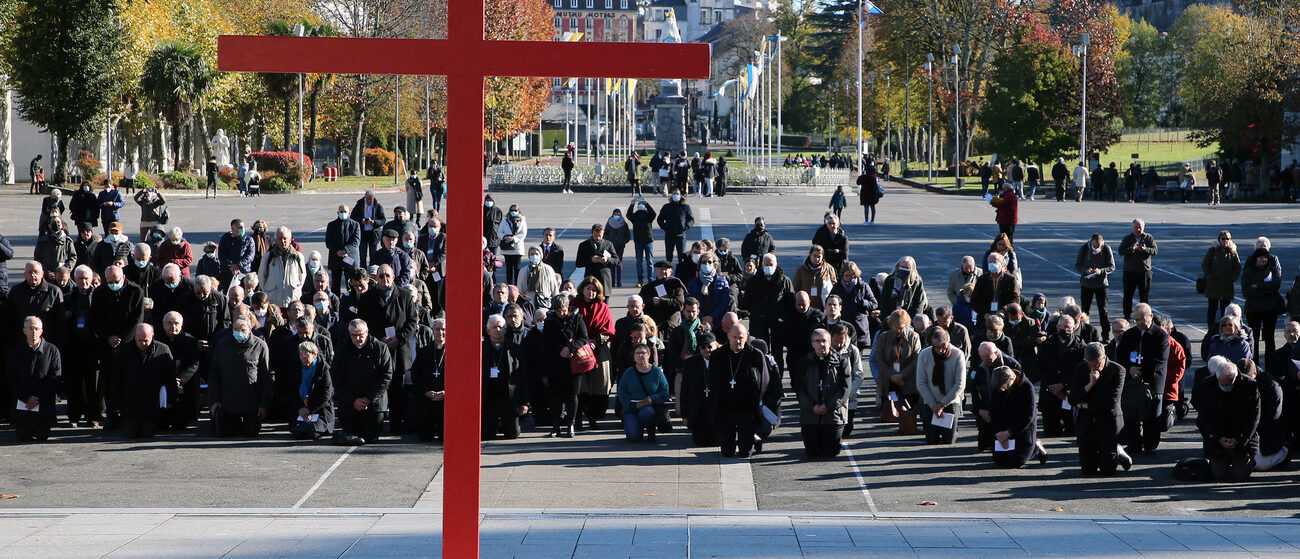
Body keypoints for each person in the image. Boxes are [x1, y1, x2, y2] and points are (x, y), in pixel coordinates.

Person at [359, 264, 417, 433]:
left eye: (387, 276)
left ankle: (397, 425)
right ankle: (375, 423)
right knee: (377, 386)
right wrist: (378, 339)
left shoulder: (405, 296)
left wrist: (399, 339)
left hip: (399, 349)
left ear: (393, 277)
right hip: (377, 349)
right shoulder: (367, 298)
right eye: (381, 276)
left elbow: (412, 321)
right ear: (376, 278)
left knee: (397, 388)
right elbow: (362, 323)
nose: (384, 279)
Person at [1069, 342, 1133, 475]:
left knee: (1107, 470)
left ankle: (1117, 451)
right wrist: (1090, 384)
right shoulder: (1081, 369)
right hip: (1087, 424)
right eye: (1090, 364)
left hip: (1107, 422)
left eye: (1096, 364)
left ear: (1104, 358)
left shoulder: (1117, 371)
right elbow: (1072, 399)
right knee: (1088, 469)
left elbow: (1111, 402)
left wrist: (1084, 405)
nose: (1093, 368)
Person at [1115, 304, 1169, 456]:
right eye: (1136, 319)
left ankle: (1150, 445)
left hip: (1152, 381)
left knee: (1151, 416)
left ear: (1150, 317)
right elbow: (1121, 355)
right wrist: (1130, 369)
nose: (1138, 323)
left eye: (1142, 319)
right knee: (1131, 414)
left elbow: (1160, 360)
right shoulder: (1130, 334)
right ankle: (1134, 444)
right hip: (1132, 382)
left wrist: (1142, 371)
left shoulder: (1160, 336)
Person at [709, 323, 770, 458]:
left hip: (747, 407)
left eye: (741, 338)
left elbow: (764, 381)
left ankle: (752, 440)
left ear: (746, 337)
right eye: (735, 337)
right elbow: (712, 380)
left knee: (745, 453)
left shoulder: (755, 355)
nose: (738, 341)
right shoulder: (718, 356)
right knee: (727, 452)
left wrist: (760, 404)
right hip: (726, 407)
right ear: (728, 336)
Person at [1197, 356, 1260, 481]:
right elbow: (1203, 417)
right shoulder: (1207, 385)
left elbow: (1254, 416)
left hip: (1241, 439)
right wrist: (1216, 437)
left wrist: (1241, 438)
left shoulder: (1250, 386)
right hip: (1218, 438)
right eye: (1222, 384)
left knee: (1239, 476)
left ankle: (1246, 462)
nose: (1225, 387)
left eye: (1228, 384)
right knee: (1219, 475)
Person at [331, 319, 393, 445]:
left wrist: (369, 399)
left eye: (361, 335)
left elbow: (386, 376)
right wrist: (353, 400)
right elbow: (337, 378)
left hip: (373, 404)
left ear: (367, 332)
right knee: (351, 437)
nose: (358, 338)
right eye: (354, 335)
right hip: (350, 404)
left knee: (370, 438)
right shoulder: (342, 349)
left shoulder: (380, 348)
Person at [208, 316, 272, 437]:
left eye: (243, 330)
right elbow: (214, 375)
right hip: (229, 402)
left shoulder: (260, 346)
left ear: (250, 329)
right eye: (236, 329)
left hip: (252, 402)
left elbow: (266, 378)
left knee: (251, 432)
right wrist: (214, 401)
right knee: (230, 432)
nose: (239, 333)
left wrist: (263, 405)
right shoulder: (222, 344)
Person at [110, 324, 175, 439]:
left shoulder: (163, 350)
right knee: (131, 433)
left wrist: (170, 399)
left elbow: (170, 377)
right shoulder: (124, 351)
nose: (143, 343)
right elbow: (116, 378)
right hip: (131, 403)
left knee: (147, 433)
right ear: (135, 337)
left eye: (146, 340)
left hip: (152, 403)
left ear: (152, 336)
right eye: (139, 340)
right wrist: (116, 403)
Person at [793, 329, 851, 457]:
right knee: (813, 452)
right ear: (812, 344)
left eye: (824, 341)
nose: (821, 344)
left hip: (833, 414)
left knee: (832, 452)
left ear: (830, 342)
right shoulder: (804, 362)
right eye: (817, 341)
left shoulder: (842, 362)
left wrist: (828, 406)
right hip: (810, 414)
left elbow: (845, 389)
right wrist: (812, 406)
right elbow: (799, 389)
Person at [8, 316, 62, 441]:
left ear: (42, 331)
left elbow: (55, 378)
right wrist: (27, 397)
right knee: (23, 436)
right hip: (23, 406)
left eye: (37, 329)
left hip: (43, 406)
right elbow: (12, 378)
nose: (34, 332)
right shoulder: (16, 351)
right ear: (24, 330)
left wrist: (37, 397)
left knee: (42, 436)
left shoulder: (52, 351)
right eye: (30, 328)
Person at [543, 295, 588, 438]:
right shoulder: (550, 321)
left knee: (572, 394)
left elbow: (583, 338)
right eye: (558, 311)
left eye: (563, 310)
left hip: (573, 362)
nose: (561, 314)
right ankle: (556, 425)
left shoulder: (577, 318)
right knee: (555, 396)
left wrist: (570, 348)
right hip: (555, 362)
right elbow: (546, 341)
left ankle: (571, 424)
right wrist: (559, 350)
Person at [916, 328, 966, 444]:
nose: (940, 351)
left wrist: (942, 404)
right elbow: (921, 382)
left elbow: (960, 384)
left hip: (950, 401)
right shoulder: (924, 354)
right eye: (936, 347)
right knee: (931, 439)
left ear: (949, 342)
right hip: (930, 402)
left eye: (943, 347)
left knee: (949, 440)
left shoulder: (958, 354)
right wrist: (934, 405)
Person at [481, 314, 528, 440]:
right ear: (488, 330)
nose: (497, 330)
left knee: (512, 435)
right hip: (488, 399)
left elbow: (523, 376)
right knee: (486, 435)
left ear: (505, 330)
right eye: (494, 327)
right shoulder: (480, 349)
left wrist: (524, 403)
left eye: (500, 327)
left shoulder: (515, 349)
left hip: (508, 399)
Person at [990, 366, 1047, 467]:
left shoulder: (1027, 387)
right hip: (1003, 427)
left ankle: (1035, 446)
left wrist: (1009, 432)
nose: (1002, 390)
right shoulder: (998, 386)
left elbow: (1028, 415)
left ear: (1012, 379)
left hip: (1022, 429)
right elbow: (993, 411)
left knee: (1017, 462)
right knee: (1000, 462)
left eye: (1004, 387)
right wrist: (999, 433)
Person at [1038, 315, 1085, 437]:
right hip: (1049, 394)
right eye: (1063, 327)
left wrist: (1064, 386)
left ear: (1074, 328)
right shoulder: (1047, 344)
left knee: (1071, 432)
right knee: (1050, 432)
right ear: (1057, 327)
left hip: (1069, 395)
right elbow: (1040, 368)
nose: (1065, 330)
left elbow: (1081, 371)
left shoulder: (1081, 346)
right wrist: (1053, 388)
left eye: (1068, 327)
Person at [618, 343, 670, 442]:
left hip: (649, 407)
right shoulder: (628, 373)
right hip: (632, 408)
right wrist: (633, 405)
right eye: (637, 353)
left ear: (649, 355)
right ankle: (637, 427)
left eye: (643, 353)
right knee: (634, 438)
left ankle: (651, 430)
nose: (640, 355)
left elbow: (665, 391)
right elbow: (621, 392)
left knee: (647, 412)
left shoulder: (656, 371)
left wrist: (651, 400)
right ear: (633, 357)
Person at [1241, 245, 1284, 362]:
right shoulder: (1248, 272)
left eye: (1265, 257)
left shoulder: (1273, 270)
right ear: (1255, 259)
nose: (1263, 260)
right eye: (1260, 257)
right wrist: (1266, 290)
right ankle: (1253, 362)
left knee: (1270, 338)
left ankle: (1270, 364)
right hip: (1253, 310)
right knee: (1253, 338)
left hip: (1270, 310)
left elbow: (1276, 285)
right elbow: (1246, 290)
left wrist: (1258, 286)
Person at [410, 318, 447, 441]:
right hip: (427, 400)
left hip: (446, 402)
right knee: (425, 437)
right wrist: (425, 392)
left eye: (443, 329)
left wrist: (447, 392)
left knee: (445, 437)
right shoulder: (423, 352)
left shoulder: (454, 351)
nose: (440, 332)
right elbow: (415, 376)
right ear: (432, 331)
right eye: (437, 329)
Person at [1075, 233, 1116, 342]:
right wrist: (1085, 271)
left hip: (1101, 284)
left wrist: (1101, 271)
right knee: (1085, 310)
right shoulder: (1084, 248)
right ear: (1091, 242)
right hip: (1087, 284)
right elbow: (1077, 265)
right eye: (1095, 246)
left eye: (1099, 247)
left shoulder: (1107, 248)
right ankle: (1083, 335)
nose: (1097, 248)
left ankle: (1106, 335)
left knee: (1103, 310)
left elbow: (1112, 266)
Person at [257, 227, 307, 308]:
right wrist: (267, 292)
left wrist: (296, 291)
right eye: (280, 239)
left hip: (292, 301)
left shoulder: (298, 256)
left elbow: (302, 276)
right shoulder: (268, 257)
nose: (283, 241)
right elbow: (262, 276)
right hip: (273, 301)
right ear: (276, 240)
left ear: (290, 240)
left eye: (285, 238)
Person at [1118, 219, 1157, 320]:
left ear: (1143, 228)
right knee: (1127, 296)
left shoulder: (1148, 238)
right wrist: (1132, 249)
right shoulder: (1128, 238)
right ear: (1132, 227)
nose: (1138, 229)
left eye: (1140, 227)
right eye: (1136, 227)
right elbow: (1120, 251)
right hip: (1130, 272)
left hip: (1144, 272)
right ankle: (1127, 316)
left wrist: (1145, 250)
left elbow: (1155, 250)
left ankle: (1144, 316)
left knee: (1144, 296)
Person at [1202, 230, 1240, 330]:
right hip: (1213, 285)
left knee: (1226, 309)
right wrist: (1211, 275)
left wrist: (1232, 279)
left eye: (1228, 238)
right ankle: (1211, 328)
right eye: (1223, 239)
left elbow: (1237, 268)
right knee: (1212, 308)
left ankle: (1224, 328)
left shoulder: (1233, 252)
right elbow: (1205, 264)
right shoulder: (1213, 250)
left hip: (1227, 286)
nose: (1225, 241)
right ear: (1219, 240)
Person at [687, 252, 732, 328]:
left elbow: (724, 302)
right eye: (703, 262)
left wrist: (711, 317)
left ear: (715, 265)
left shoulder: (723, 282)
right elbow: (690, 301)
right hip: (698, 321)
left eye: (709, 262)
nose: (706, 264)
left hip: (717, 321)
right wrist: (703, 318)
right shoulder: (693, 283)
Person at [972, 252, 1019, 321]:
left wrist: (1004, 310)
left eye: (994, 262)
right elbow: (974, 301)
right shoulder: (982, 279)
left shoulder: (1010, 279)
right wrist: (984, 313)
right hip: (986, 319)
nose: (991, 264)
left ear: (1002, 264)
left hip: (1004, 318)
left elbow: (1015, 299)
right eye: (989, 262)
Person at [576, 224, 619, 294]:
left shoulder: (608, 244)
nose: (598, 238)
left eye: (600, 236)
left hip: (604, 279)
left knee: (605, 303)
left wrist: (607, 259)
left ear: (603, 233)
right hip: (590, 280)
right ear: (591, 232)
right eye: (595, 235)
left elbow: (617, 261)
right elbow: (578, 263)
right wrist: (591, 260)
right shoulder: (584, 245)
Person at [793, 245, 837, 311]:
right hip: (806, 307)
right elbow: (796, 289)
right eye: (814, 256)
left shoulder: (828, 268)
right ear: (810, 255)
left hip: (823, 307)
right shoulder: (801, 270)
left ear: (823, 257)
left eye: (819, 256)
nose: (816, 259)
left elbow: (835, 287)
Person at [350, 190, 386, 269]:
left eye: (371, 199)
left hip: (373, 234)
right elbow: (352, 217)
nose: (369, 201)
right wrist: (361, 221)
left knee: (373, 255)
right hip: (363, 234)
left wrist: (374, 222)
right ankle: (363, 271)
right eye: (367, 199)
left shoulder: (378, 206)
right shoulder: (359, 205)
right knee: (362, 255)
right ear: (365, 197)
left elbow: (383, 220)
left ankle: (372, 271)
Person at [217, 219, 255, 292]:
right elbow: (222, 255)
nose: (242, 229)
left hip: (243, 272)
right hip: (228, 273)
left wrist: (238, 265)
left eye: (243, 227)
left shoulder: (249, 240)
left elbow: (250, 256)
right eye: (239, 228)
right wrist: (231, 266)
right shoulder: (225, 238)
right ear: (232, 228)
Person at [657, 190, 694, 263]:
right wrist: (665, 227)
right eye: (674, 194)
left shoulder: (685, 207)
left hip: (681, 235)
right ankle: (668, 272)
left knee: (682, 256)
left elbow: (691, 220)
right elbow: (660, 219)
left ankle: (681, 272)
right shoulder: (666, 207)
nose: (675, 195)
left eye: (677, 194)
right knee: (668, 256)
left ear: (680, 195)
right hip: (669, 235)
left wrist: (685, 227)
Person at [626, 199, 657, 287]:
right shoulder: (635, 216)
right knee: (639, 262)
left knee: (649, 262)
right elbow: (628, 215)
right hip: (638, 241)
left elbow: (653, 214)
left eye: (641, 204)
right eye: (639, 204)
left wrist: (647, 204)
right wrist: (632, 205)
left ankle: (651, 279)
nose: (640, 205)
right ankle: (640, 280)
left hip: (648, 241)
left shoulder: (648, 215)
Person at [498, 204, 529, 284]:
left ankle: (517, 285)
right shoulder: (505, 220)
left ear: (519, 211)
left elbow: (523, 233)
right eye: (512, 210)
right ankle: (509, 285)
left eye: (516, 210)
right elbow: (499, 232)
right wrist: (505, 237)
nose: (514, 212)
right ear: (509, 211)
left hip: (517, 248)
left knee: (517, 268)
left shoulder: (522, 220)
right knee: (508, 268)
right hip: (507, 248)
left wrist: (514, 239)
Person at [603, 209, 631, 288]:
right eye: (615, 214)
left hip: (620, 246)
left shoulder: (624, 224)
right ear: (612, 215)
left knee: (619, 263)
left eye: (618, 214)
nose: (617, 216)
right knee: (611, 264)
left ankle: (619, 281)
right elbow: (605, 234)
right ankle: (612, 282)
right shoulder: (609, 223)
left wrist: (623, 241)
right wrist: (608, 241)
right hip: (611, 247)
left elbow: (628, 235)